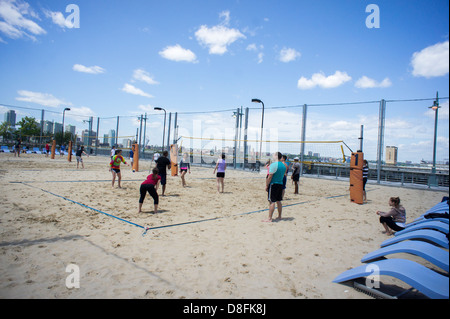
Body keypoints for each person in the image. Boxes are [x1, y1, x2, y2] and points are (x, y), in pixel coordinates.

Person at [263, 152, 286, 222]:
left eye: (273, 155)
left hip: (273, 184)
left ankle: (269, 218)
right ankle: (279, 216)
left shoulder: (273, 165)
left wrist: (267, 185)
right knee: (279, 201)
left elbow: (270, 177)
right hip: (280, 184)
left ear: (276, 156)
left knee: (272, 201)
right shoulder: (283, 165)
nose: (272, 156)